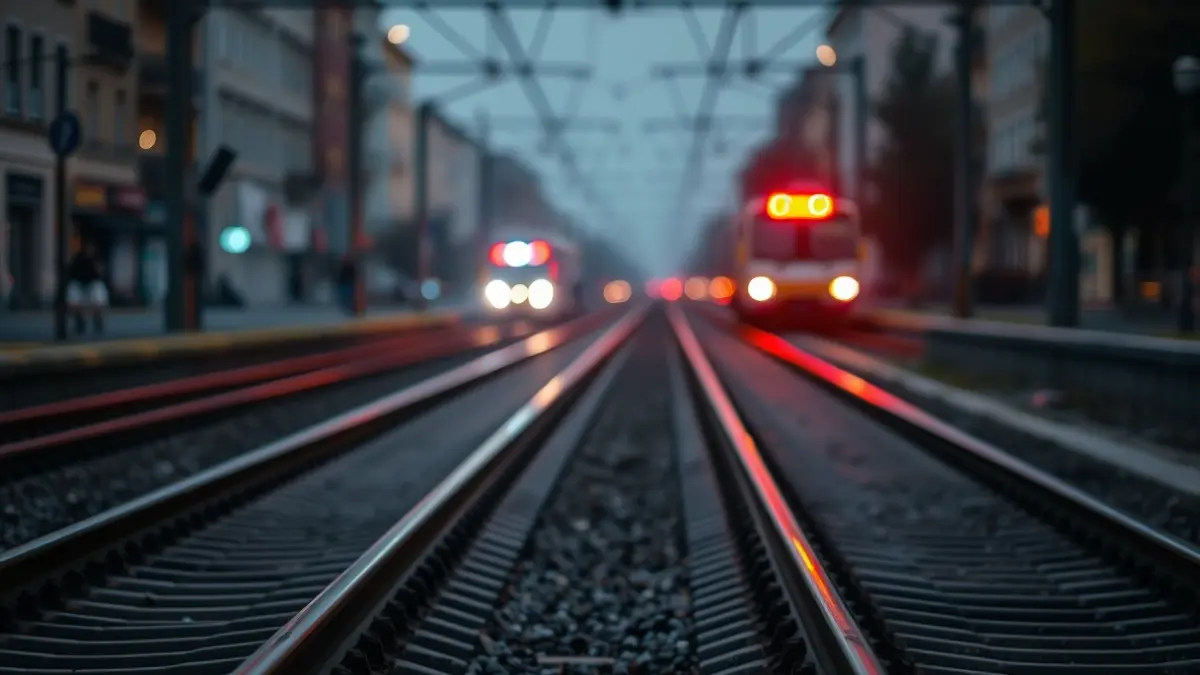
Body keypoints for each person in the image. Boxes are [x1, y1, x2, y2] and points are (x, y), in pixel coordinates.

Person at [65, 241, 107, 335]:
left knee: (98, 301)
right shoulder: (77, 259)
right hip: (79, 283)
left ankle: (98, 321)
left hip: (93, 283)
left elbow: (99, 274)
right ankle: (80, 321)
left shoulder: (96, 259)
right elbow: (71, 272)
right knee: (75, 302)